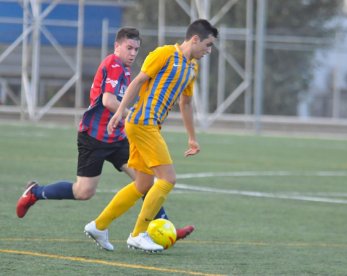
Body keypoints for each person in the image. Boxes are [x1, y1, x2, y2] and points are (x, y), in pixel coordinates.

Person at [15, 27, 194, 250]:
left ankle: (163, 228)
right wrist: (136, 116)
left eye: (136, 49)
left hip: (118, 138)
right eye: (128, 48)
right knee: (84, 192)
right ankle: (35, 192)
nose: (132, 53)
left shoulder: (126, 70)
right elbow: (109, 101)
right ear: (116, 46)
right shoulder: (113, 64)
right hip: (94, 137)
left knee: (144, 180)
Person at [84, 19, 218, 253]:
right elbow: (138, 81)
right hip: (142, 122)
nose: (209, 51)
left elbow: (185, 104)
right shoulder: (165, 54)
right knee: (167, 179)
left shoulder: (192, 68)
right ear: (194, 39)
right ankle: (138, 235)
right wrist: (118, 115)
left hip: (149, 125)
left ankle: (99, 225)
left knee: (143, 183)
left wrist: (192, 138)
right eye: (207, 45)